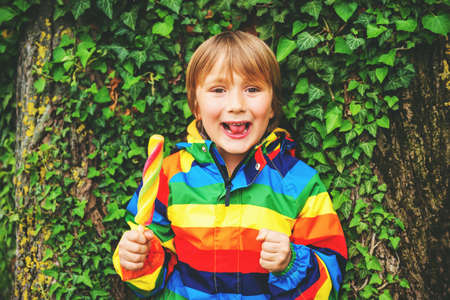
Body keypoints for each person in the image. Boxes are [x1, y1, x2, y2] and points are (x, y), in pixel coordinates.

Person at [112, 31, 347, 299]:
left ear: (272, 105)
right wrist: (139, 259)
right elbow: (149, 275)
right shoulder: (170, 175)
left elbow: (330, 283)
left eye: (252, 89)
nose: (236, 105)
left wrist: (290, 263)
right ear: (196, 105)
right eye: (218, 90)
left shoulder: (299, 182)